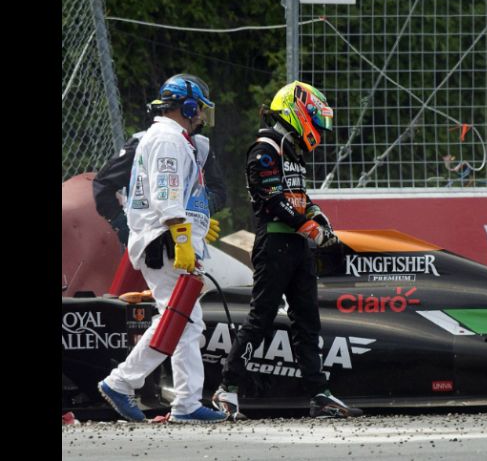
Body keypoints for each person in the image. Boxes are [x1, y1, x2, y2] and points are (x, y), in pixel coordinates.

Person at [211, 81, 363, 419]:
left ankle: (319, 394)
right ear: (297, 113)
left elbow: (295, 196)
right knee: (261, 319)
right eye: (316, 121)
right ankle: (228, 389)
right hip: (275, 244)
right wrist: (310, 227)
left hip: (297, 246)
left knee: (308, 321)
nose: (319, 131)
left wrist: (315, 212)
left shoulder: (292, 150)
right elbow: (272, 198)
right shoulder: (264, 147)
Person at [97, 74, 228, 424]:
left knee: (184, 322)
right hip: (167, 240)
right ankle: (122, 382)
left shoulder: (168, 138)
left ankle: (185, 402)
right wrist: (182, 238)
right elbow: (167, 193)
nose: (201, 115)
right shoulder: (168, 139)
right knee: (178, 318)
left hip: (167, 238)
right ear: (186, 106)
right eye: (199, 108)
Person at [93, 74, 227, 247]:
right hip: (151, 236)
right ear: (189, 108)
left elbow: (219, 191)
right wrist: (123, 226)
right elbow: (102, 186)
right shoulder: (146, 143)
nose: (202, 117)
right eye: (200, 109)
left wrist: (198, 215)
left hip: (183, 234)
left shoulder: (201, 147)